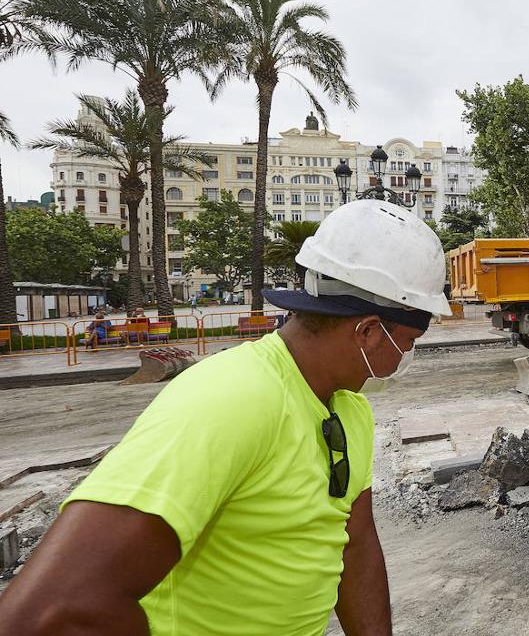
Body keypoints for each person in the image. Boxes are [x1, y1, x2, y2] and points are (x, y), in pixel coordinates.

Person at [0, 200, 451, 635]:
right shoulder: (230, 400)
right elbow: (53, 613)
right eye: (407, 343)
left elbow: (355, 543)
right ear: (369, 331)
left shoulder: (349, 410)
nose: (403, 359)